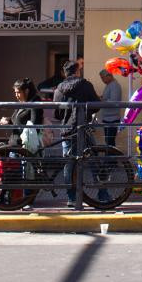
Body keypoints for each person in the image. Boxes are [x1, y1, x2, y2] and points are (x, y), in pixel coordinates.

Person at [52, 60, 99, 207]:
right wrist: (85, 112)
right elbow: (96, 105)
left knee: (69, 164)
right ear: (77, 71)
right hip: (83, 127)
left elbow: (57, 114)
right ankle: (103, 193)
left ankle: (71, 198)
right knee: (94, 159)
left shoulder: (58, 89)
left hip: (67, 130)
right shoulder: (85, 84)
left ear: (65, 73)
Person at [98, 69, 122, 147]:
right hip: (108, 118)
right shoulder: (110, 85)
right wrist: (101, 97)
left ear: (109, 76)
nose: (102, 80)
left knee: (110, 142)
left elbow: (113, 101)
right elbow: (107, 97)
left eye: (102, 78)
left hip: (112, 118)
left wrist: (101, 100)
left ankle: (111, 158)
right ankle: (110, 157)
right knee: (108, 141)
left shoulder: (114, 85)